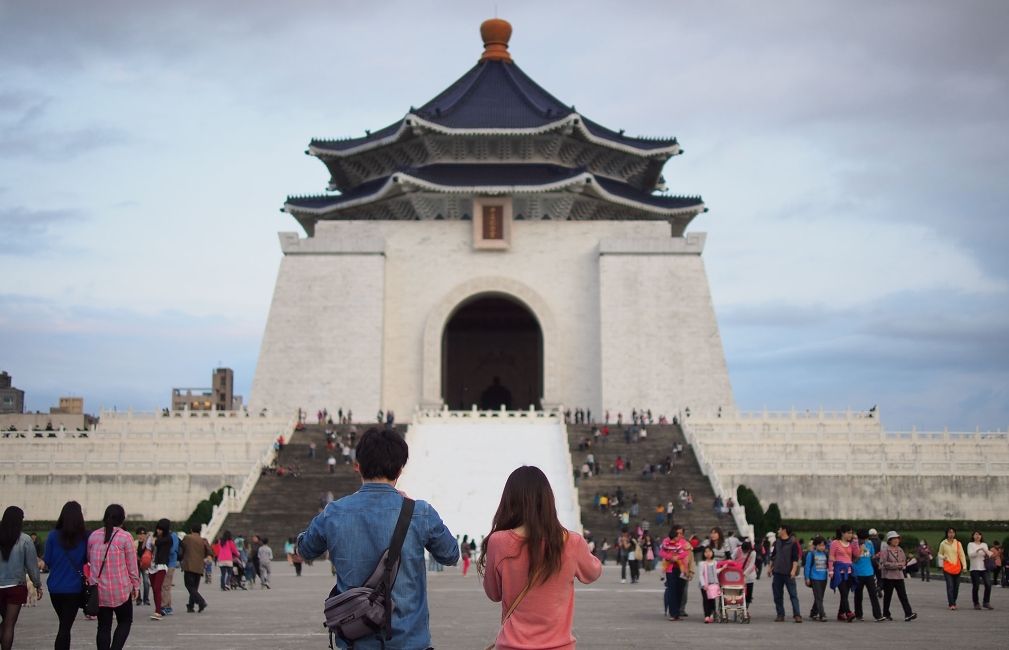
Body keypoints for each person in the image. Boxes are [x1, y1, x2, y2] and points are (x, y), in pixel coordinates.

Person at [298, 427, 460, 649]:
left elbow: (305, 549)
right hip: (410, 641)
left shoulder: (334, 512)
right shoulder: (419, 512)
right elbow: (451, 554)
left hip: (356, 641)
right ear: (400, 469)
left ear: (358, 466)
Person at [479, 465, 602, 649]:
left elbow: (493, 593)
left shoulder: (498, 542)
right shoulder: (571, 542)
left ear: (509, 500)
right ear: (547, 500)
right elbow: (593, 573)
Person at [88, 504, 140, 650]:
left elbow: (89, 559)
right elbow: (132, 565)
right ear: (122, 519)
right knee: (125, 621)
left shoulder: (93, 536)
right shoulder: (125, 537)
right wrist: (136, 585)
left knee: (103, 626)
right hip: (120, 590)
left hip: (100, 591)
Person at [44, 501, 88, 650]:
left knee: (64, 625)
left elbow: (47, 561)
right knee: (64, 627)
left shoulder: (52, 536)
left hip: (55, 588)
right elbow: (87, 560)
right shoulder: (84, 537)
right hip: (74, 589)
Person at [0, 506, 42, 650]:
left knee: (5, 622)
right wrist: (37, 584)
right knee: (9, 624)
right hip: (16, 587)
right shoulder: (25, 540)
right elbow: (32, 566)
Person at [878, 531, 917, 621]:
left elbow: (904, 561)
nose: (896, 540)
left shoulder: (900, 549)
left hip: (899, 576)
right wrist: (896, 565)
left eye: (897, 538)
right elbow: (883, 563)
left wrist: (903, 564)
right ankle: (886, 613)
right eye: (894, 539)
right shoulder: (885, 550)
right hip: (888, 576)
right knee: (888, 596)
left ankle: (908, 613)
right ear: (889, 540)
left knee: (903, 595)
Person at [769, 524, 802, 623]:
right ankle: (780, 614)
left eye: (779, 529)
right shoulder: (777, 542)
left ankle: (797, 615)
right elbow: (773, 556)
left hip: (788, 573)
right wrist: (770, 568)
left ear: (784, 530)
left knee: (793, 594)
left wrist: (793, 570)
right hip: (777, 572)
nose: (778, 531)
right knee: (777, 595)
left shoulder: (793, 543)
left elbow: (795, 559)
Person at [659, 525, 691, 620]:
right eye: (678, 533)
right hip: (671, 568)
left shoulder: (684, 542)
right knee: (672, 590)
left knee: (680, 590)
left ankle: (678, 612)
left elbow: (687, 554)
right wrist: (671, 557)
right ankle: (673, 614)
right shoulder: (666, 541)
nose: (680, 535)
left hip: (682, 569)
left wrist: (678, 557)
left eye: (681, 533)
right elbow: (661, 552)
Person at [180, 523, 213, 613]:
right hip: (199, 567)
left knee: (189, 586)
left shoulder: (187, 538)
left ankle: (201, 601)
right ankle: (190, 606)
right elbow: (210, 551)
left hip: (189, 566)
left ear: (191, 530)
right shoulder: (203, 540)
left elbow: (181, 549)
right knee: (194, 587)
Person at [829, 525, 858, 621]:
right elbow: (832, 557)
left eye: (851, 533)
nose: (851, 535)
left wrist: (855, 542)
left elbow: (856, 555)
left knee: (845, 594)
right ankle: (848, 612)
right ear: (842, 533)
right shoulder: (835, 543)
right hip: (839, 572)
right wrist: (831, 570)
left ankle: (840, 613)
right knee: (844, 593)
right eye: (849, 533)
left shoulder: (851, 544)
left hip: (849, 572)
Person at [853, 529, 884, 621]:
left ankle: (878, 615)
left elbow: (871, 557)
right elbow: (854, 560)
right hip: (858, 573)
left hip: (869, 573)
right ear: (858, 538)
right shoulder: (854, 545)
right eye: (862, 539)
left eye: (865, 539)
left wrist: (878, 562)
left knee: (873, 595)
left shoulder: (870, 544)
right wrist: (860, 550)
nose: (864, 541)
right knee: (858, 595)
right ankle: (858, 614)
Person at [147, 519, 172, 620]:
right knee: (154, 589)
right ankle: (158, 609)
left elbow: (157, 543)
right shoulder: (153, 536)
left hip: (161, 565)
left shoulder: (168, 538)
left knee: (157, 587)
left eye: (161, 529)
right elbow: (147, 547)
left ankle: (158, 611)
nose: (159, 531)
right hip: (151, 565)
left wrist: (152, 539)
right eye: (158, 529)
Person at [938, 527, 967, 610]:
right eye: (949, 532)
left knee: (956, 586)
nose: (951, 534)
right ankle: (951, 604)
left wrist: (964, 567)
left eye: (953, 532)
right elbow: (939, 554)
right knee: (950, 586)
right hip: (947, 568)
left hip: (957, 567)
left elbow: (962, 555)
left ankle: (953, 601)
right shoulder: (943, 543)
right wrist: (944, 557)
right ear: (947, 534)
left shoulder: (958, 543)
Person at [803, 535, 828, 622]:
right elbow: (807, 567)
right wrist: (807, 578)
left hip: (824, 578)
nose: (822, 547)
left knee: (819, 596)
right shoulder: (811, 554)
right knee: (818, 597)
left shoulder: (825, 554)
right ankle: (822, 614)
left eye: (823, 545)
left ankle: (813, 612)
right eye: (820, 545)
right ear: (815, 545)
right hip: (814, 578)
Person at [966, 530, 993, 610]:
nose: (978, 536)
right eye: (976, 534)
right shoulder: (970, 544)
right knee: (976, 586)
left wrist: (984, 549)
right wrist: (977, 551)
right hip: (975, 568)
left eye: (979, 535)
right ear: (973, 536)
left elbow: (989, 554)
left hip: (984, 568)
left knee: (988, 584)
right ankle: (976, 603)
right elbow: (970, 555)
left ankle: (986, 602)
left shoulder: (984, 544)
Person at [697, 546, 721, 623]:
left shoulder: (715, 562)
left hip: (713, 585)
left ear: (712, 553)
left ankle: (712, 614)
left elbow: (715, 572)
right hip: (705, 585)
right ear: (703, 554)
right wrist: (704, 585)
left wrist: (722, 568)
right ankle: (706, 616)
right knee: (706, 600)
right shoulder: (702, 563)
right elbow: (700, 574)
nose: (708, 553)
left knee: (712, 600)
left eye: (709, 551)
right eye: (706, 552)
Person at [735, 540, 757, 614]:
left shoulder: (753, 553)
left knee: (748, 594)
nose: (744, 552)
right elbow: (732, 558)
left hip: (749, 576)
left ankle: (745, 609)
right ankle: (739, 607)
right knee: (739, 593)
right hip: (738, 575)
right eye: (743, 550)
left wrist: (744, 574)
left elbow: (751, 565)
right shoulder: (737, 550)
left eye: (746, 551)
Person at [134, 527, 150, 606]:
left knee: (146, 582)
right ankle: (138, 599)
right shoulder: (135, 543)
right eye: (139, 534)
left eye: (143, 534)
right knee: (137, 582)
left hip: (145, 565)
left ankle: (146, 599)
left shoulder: (148, 543)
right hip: (136, 564)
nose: (141, 536)